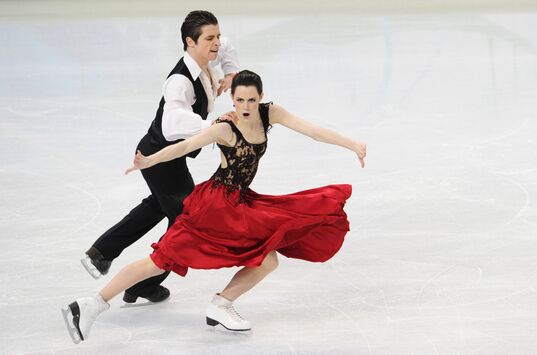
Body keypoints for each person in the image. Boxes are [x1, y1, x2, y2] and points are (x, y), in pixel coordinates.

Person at [62, 70, 367, 344]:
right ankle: (91, 304)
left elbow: (312, 130)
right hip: (213, 207)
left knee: (267, 259)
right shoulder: (225, 127)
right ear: (232, 99)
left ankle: (221, 304)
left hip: (240, 204)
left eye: (251, 99)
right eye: (239, 100)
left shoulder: (269, 113)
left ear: (260, 97)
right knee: (161, 260)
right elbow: (184, 147)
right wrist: (149, 161)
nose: (245, 107)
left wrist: (351, 144)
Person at [80, 10, 240, 304]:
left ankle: (101, 253)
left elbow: (227, 47)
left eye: (217, 35)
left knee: (157, 206)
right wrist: (213, 125)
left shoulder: (208, 53)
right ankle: (143, 283)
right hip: (159, 156)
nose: (217, 42)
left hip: (169, 157)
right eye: (210, 38)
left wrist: (230, 72)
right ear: (189, 42)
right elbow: (171, 123)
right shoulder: (179, 81)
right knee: (186, 221)